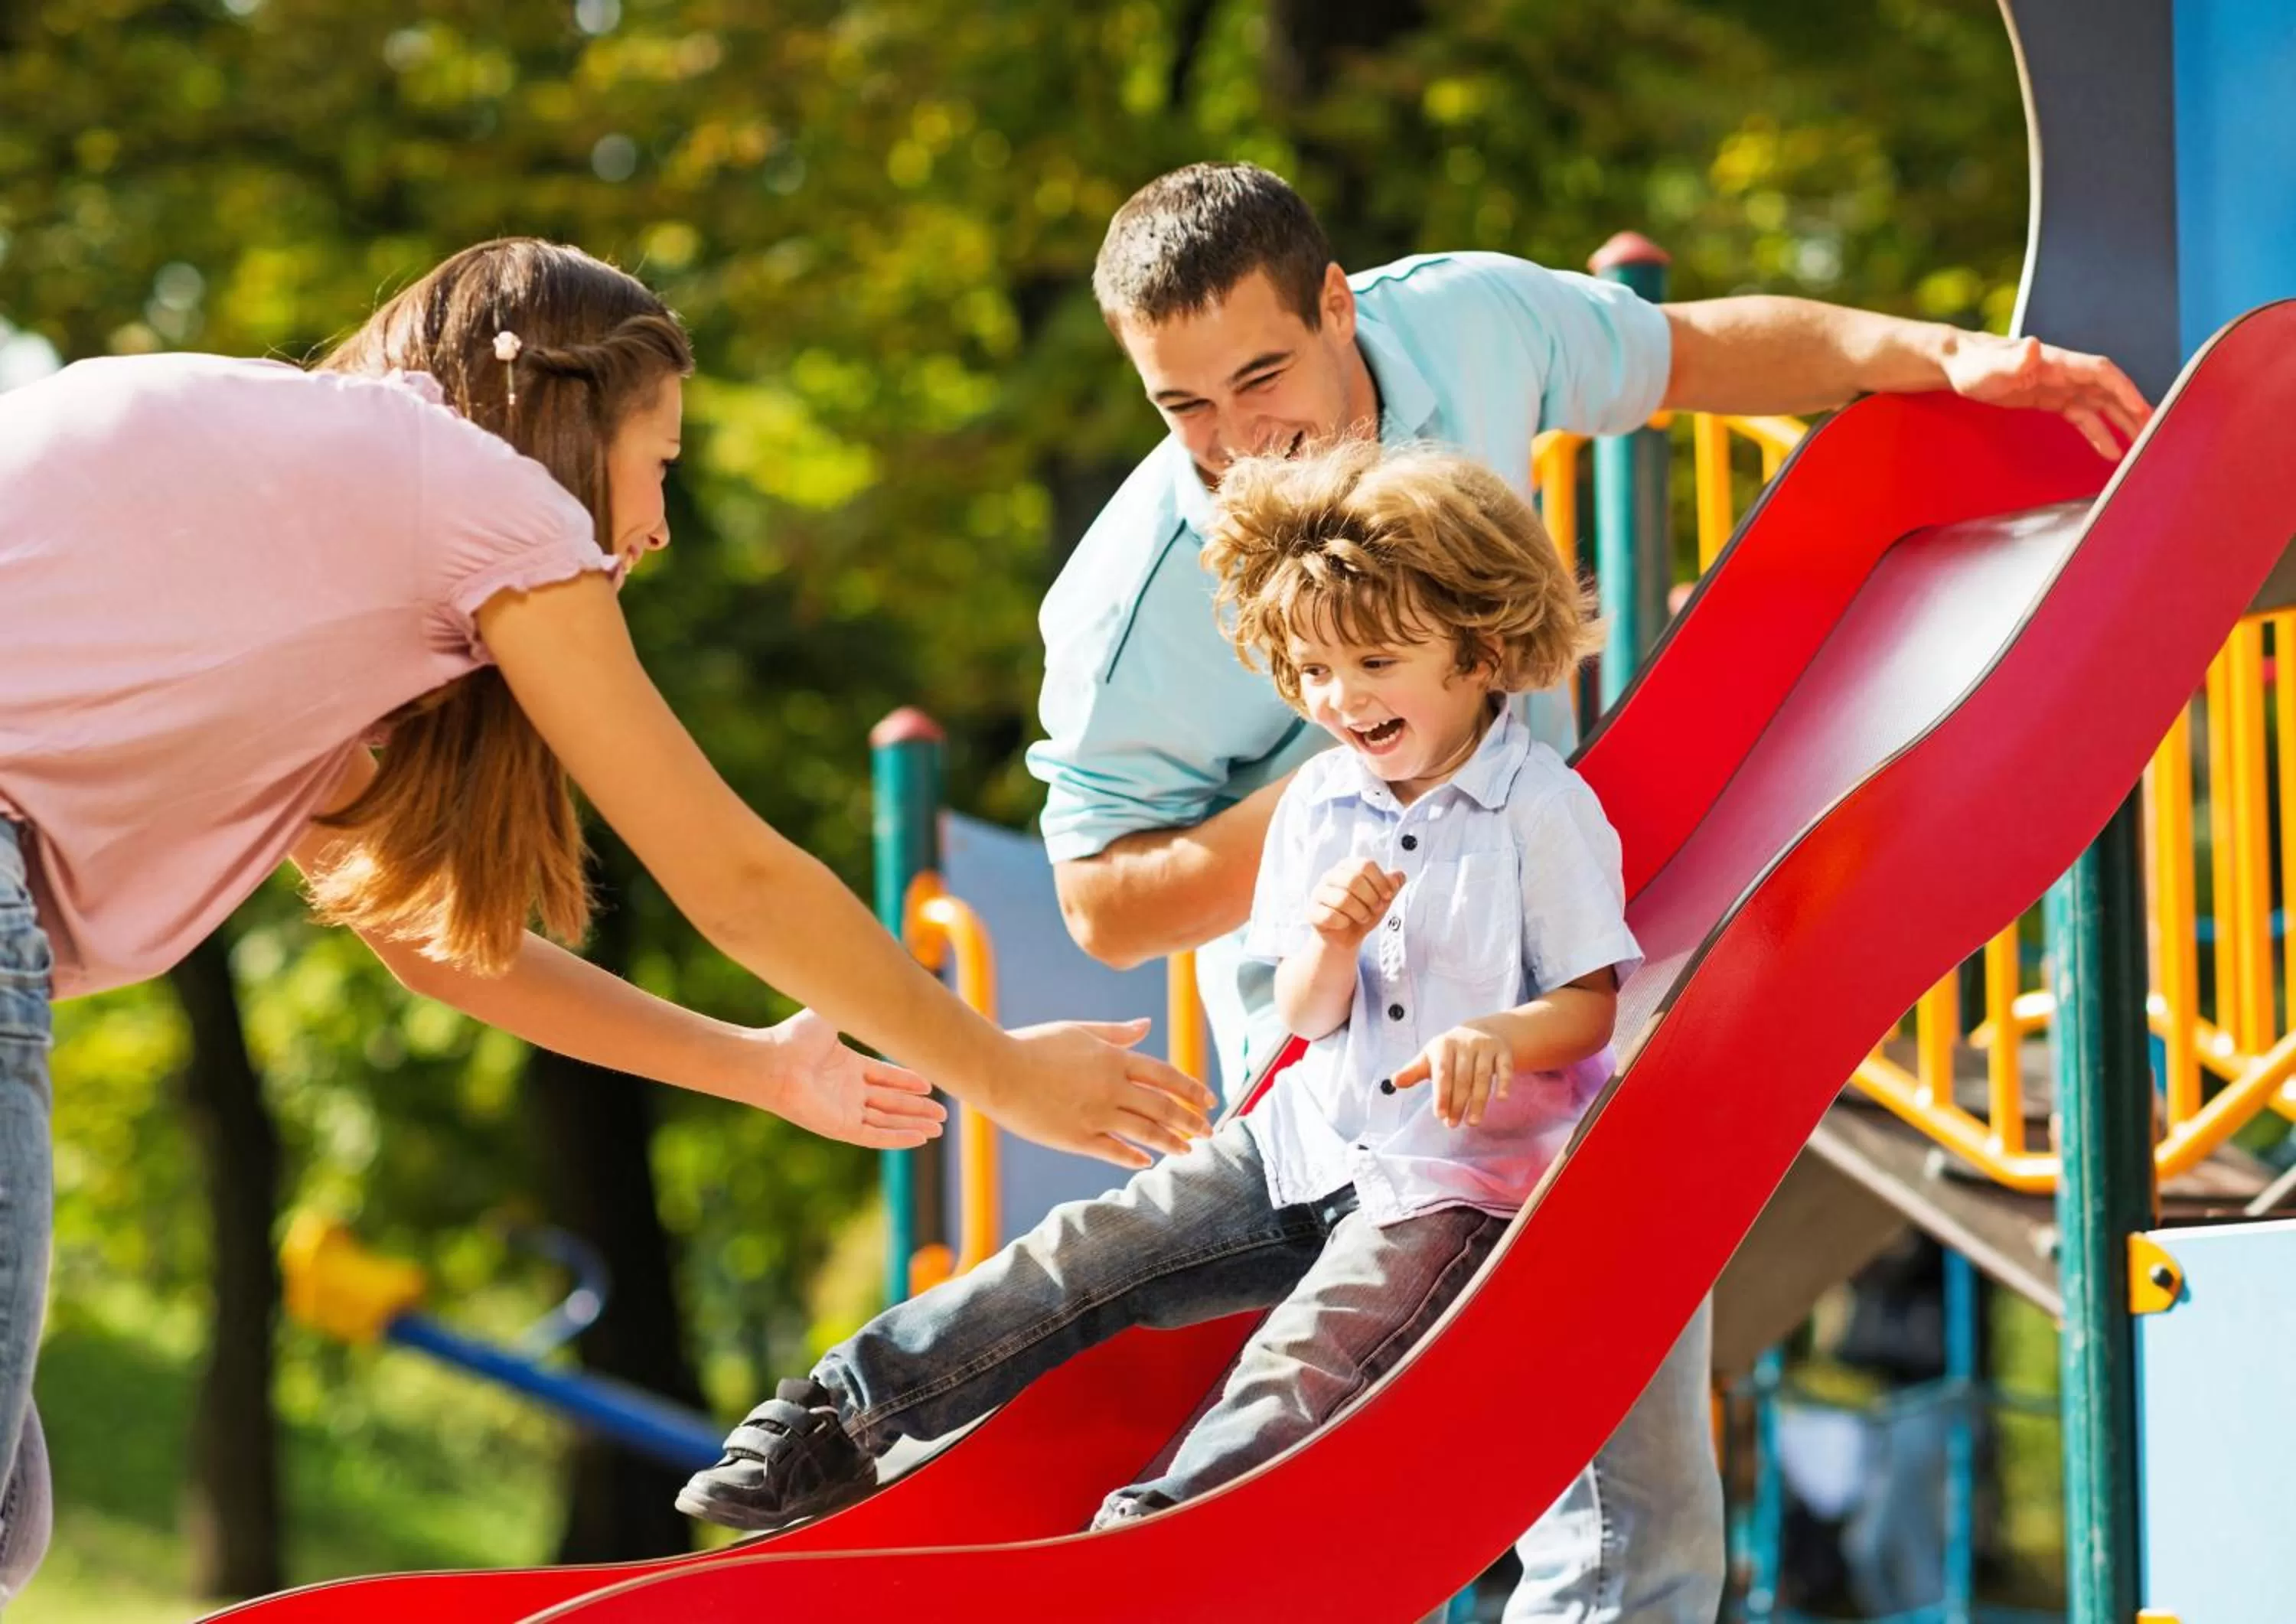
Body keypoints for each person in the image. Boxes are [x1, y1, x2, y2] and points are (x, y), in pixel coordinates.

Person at [0, 238, 1215, 1601]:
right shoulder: (481, 494)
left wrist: (757, 1066)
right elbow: (733, 875)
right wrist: (997, 1071)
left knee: (14, 1513)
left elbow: (438, 938)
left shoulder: (303, 516)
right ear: (565, 415)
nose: (655, 523)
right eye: (662, 460)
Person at [1028, 162, 2151, 1620]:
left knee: (1637, 1501)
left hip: (1559, 1005)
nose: (1240, 441)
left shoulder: (1467, 324)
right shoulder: (1139, 602)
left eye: (1264, 375)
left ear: (1337, 306)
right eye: (1184, 408)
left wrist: (1934, 354)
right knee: (1392, 1485)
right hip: (1354, 1058)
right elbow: (1101, 903)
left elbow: (1693, 354)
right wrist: (1379, 751)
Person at [673, 438, 1636, 1538]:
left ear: (1479, 647)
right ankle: (841, 1418)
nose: (1341, 697)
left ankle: (1155, 1539)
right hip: (1301, 1143)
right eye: (1315, 671)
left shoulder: (1539, 811)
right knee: (1090, 1245)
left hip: (1455, 1186)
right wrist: (1327, 945)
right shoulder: (1319, 802)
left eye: (1376, 663)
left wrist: (1503, 1038)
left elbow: (1591, 1001)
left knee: (1303, 1362)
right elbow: (1310, 1016)